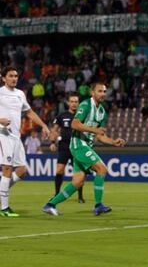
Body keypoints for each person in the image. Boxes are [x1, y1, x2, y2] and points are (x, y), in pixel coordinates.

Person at [43, 82, 126, 216]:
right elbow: (75, 124)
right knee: (102, 169)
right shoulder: (86, 105)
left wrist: (113, 141)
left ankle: (50, 205)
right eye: (100, 91)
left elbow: (100, 136)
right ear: (92, 93)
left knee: (77, 182)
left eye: (104, 91)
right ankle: (98, 205)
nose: (103, 94)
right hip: (78, 144)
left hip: (86, 145)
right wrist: (94, 129)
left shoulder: (102, 111)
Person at [0, 66, 51, 217]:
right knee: (7, 169)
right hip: (3, 135)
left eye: (16, 76)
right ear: (3, 78)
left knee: (22, 171)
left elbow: (29, 112)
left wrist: (43, 125)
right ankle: (4, 208)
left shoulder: (20, 94)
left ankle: (1, 190)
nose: (14, 78)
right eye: (11, 76)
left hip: (16, 136)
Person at [49, 93, 85, 203]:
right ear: (69, 103)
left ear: (79, 104)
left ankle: (80, 196)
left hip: (77, 146)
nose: (74, 104)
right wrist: (52, 142)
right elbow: (54, 130)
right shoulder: (61, 115)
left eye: (76, 102)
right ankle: (56, 194)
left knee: (78, 173)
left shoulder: (83, 116)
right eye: (72, 102)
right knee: (59, 170)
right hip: (64, 146)